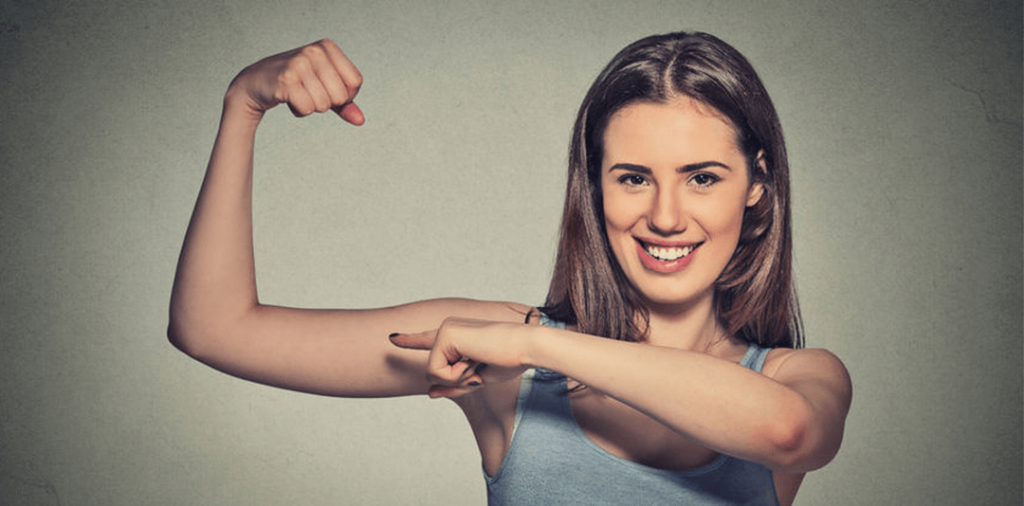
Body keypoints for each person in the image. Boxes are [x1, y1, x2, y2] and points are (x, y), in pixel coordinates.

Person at [169, 31, 852, 506]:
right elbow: (213, 328)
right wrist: (243, 106)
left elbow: (788, 433)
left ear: (757, 183)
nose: (667, 217)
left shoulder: (797, 378)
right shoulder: (506, 370)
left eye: (702, 177)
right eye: (634, 178)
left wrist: (536, 342)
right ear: (595, 185)